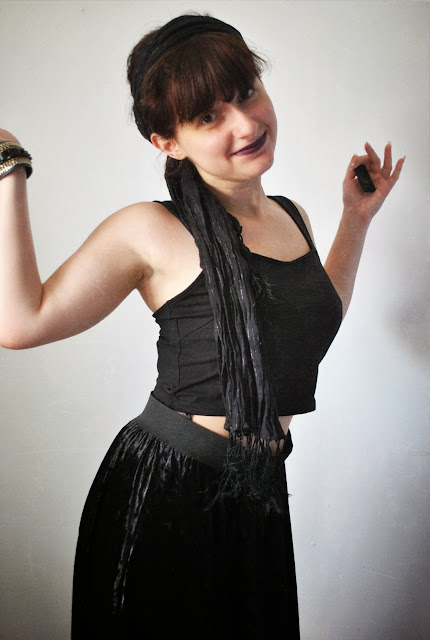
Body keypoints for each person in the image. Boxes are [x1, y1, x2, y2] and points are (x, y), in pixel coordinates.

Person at [0, 13, 404, 640]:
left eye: (246, 93)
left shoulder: (292, 216)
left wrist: (356, 220)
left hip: (259, 496)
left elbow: (306, 332)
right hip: (166, 495)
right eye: (209, 116)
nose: (245, 123)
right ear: (168, 141)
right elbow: (20, 321)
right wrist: (9, 171)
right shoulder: (148, 229)